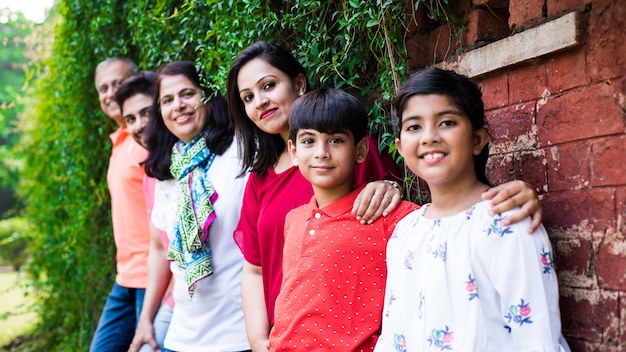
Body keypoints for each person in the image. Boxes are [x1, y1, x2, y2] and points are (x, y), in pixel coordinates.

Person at [226, 41, 543, 351]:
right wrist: (259, 341)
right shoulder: (261, 178)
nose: (260, 102)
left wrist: (513, 196)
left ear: (298, 83)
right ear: (296, 151)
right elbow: (253, 267)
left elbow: (430, 209)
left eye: (268, 86)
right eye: (248, 97)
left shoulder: (388, 197)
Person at [374, 68, 570, 351]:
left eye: (447, 122)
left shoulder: (507, 222)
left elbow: (537, 339)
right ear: (400, 147)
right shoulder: (405, 231)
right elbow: (393, 335)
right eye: (414, 127)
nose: (429, 136)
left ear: (478, 139)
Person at [269, 88, 419, 350]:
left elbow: (447, 222)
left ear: (360, 149)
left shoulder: (388, 216)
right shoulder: (293, 219)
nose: (321, 152)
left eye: (336, 140)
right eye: (308, 141)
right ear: (293, 151)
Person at [142, 61, 250, 351]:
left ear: (207, 97)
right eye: (167, 100)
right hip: (182, 335)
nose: (178, 105)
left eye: (187, 94)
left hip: (238, 333)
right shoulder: (164, 173)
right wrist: (146, 318)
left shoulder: (242, 152)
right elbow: (158, 249)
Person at [90, 58, 152, 352]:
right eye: (103, 88)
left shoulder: (147, 138)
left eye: (118, 83)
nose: (110, 93)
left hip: (151, 276)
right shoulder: (120, 141)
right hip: (125, 276)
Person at [115, 73, 174, 352]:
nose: (139, 125)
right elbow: (159, 248)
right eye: (131, 119)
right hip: (169, 295)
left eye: (146, 113)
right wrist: (146, 319)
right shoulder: (153, 173)